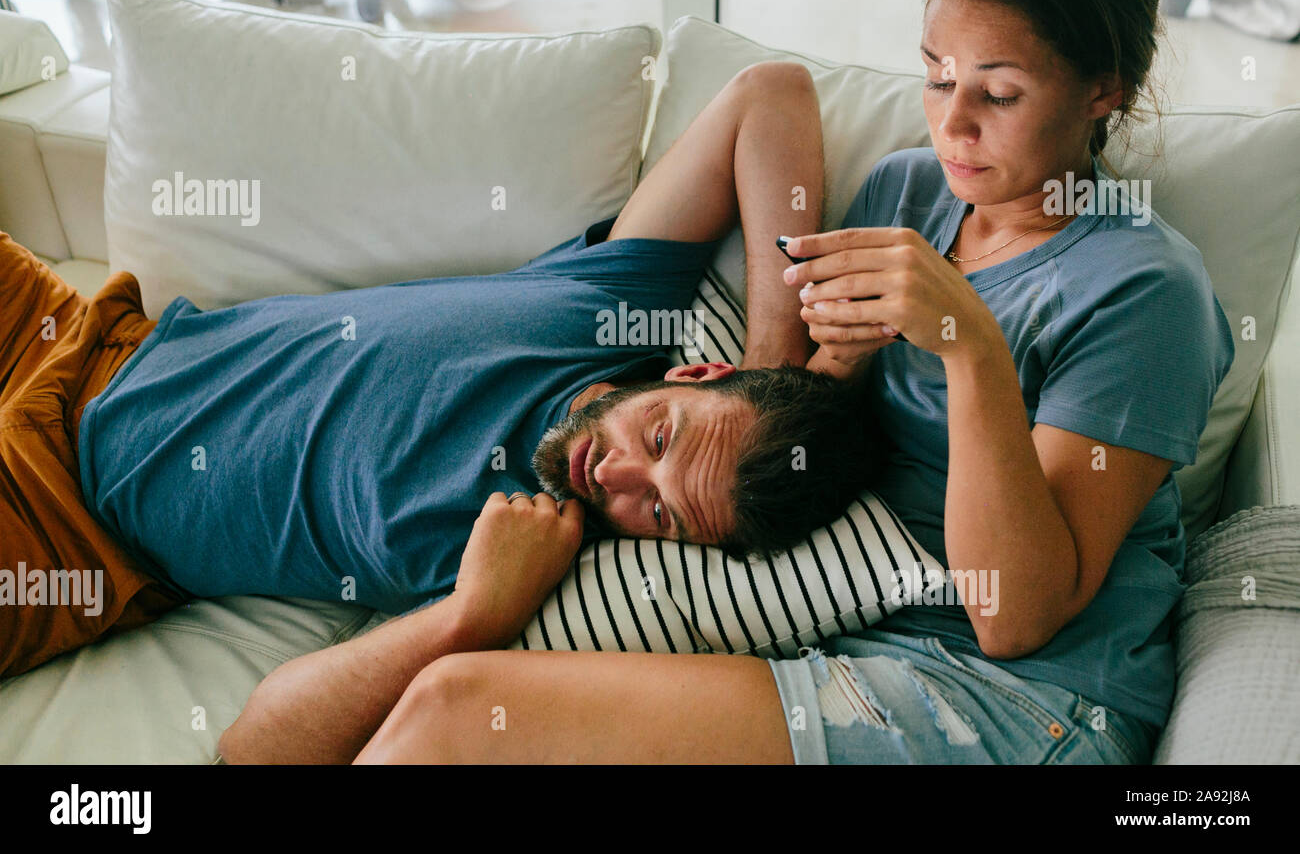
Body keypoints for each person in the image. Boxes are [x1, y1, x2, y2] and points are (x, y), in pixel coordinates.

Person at [295, 0, 1232, 766]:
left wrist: (969, 345)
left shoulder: (1144, 293)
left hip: (1016, 701)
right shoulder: (908, 197)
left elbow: (1017, 615)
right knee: (443, 700)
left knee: (459, 708)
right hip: (843, 620)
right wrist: (808, 370)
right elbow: (813, 435)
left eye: (999, 94)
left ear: (1102, 89)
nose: (954, 125)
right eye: (937, 78)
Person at [0, 59, 882, 681]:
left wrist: (474, 614)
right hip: (81, 336)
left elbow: (264, 742)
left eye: (657, 510)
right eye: (656, 438)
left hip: (66, 526)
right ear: (695, 376)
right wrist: (780, 372)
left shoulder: (524, 563)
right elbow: (771, 95)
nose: (615, 474)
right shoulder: (611, 304)